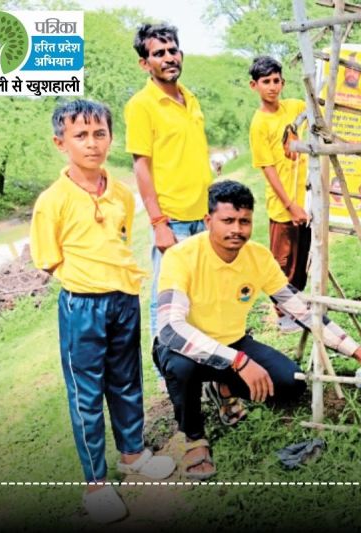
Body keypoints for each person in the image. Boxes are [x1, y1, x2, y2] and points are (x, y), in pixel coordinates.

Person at [153, 180, 361, 480]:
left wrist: (358, 353)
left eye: (244, 221)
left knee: (290, 384)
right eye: (228, 220)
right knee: (181, 368)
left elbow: (301, 310)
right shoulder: (181, 256)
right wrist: (238, 361)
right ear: (208, 221)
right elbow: (171, 329)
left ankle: (223, 388)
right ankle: (194, 438)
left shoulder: (257, 257)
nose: (237, 229)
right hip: (186, 349)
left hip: (234, 342)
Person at [30, 100, 175, 524]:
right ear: (61, 142)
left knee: (127, 381)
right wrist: (88, 280)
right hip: (83, 306)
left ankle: (132, 454)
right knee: (86, 394)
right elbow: (48, 258)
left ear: (111, 138)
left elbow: (120, 241)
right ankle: (96, 483)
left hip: (124, 299)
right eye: (80, 135)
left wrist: (114, 282)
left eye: (99, 134)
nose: (91, 143)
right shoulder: (52, 201)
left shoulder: (121, 193)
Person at [124, 23, 214, 389]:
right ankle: (169, 374)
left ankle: (207, 364)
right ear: (145, 63)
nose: (168, 58)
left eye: (172, 50)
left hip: (204, 216)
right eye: (158, 53)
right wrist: (158, 222)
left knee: (203, 294)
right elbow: (141, 167)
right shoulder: (141, 105)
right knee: (168, 298)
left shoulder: (190, 97)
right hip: (172, 219)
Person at [248, 55, 310, 334]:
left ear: (283, 82)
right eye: (266, 82)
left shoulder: (295, 107)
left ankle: (298, 306)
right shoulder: (259, 124)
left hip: (305, 199)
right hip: (283, 205)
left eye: (276, 81)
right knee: (282, 262)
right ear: (254, 85)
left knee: (301, 259)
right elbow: (268, 168)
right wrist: (289, 205)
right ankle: (282, 312)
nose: (272, 87)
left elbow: (317, 105)